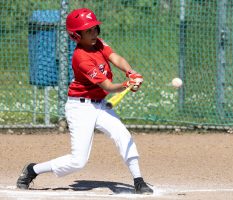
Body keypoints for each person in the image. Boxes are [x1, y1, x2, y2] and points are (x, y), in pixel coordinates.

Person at [16, 8, 153, 195]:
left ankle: (138, 180)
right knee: (78, 161)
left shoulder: (99, 44)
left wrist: (131, 72)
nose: (94, 33)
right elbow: (107, 86)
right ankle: (33, 170)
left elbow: (115, 58)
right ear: (76, 35)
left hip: (100, 105)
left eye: (95, 28)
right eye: (88, 31)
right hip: (80, 109)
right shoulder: (81, 58)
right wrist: (127, 84)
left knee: (123, 135)